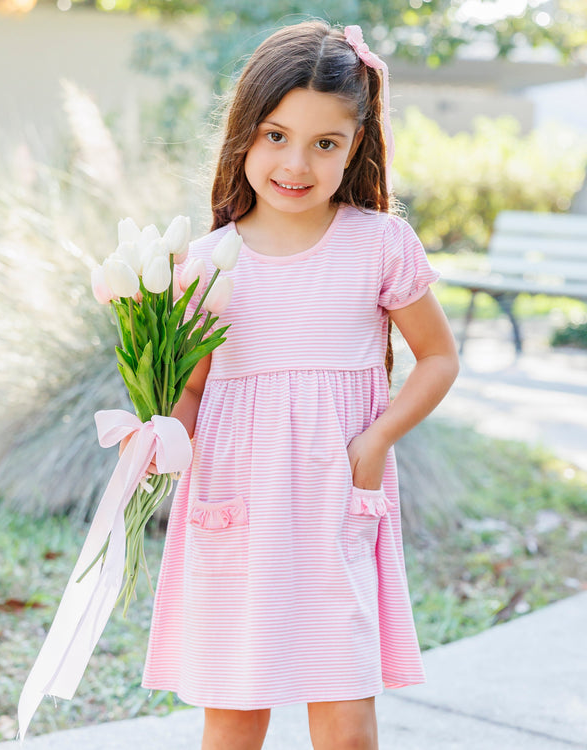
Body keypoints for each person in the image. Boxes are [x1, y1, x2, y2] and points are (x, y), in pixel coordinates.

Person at [141, 20, 459, 750]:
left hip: (336, 501)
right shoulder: (207, 262)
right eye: (276, 136)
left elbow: (439, 357)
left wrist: (376, 439)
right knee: (233, 715)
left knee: (345, 717)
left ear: (356, 147)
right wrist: (161, 437)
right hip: (236, 504)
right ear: (243, 135)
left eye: (326, 143)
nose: (297, 162)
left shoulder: (378, 243)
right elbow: (190, 392)